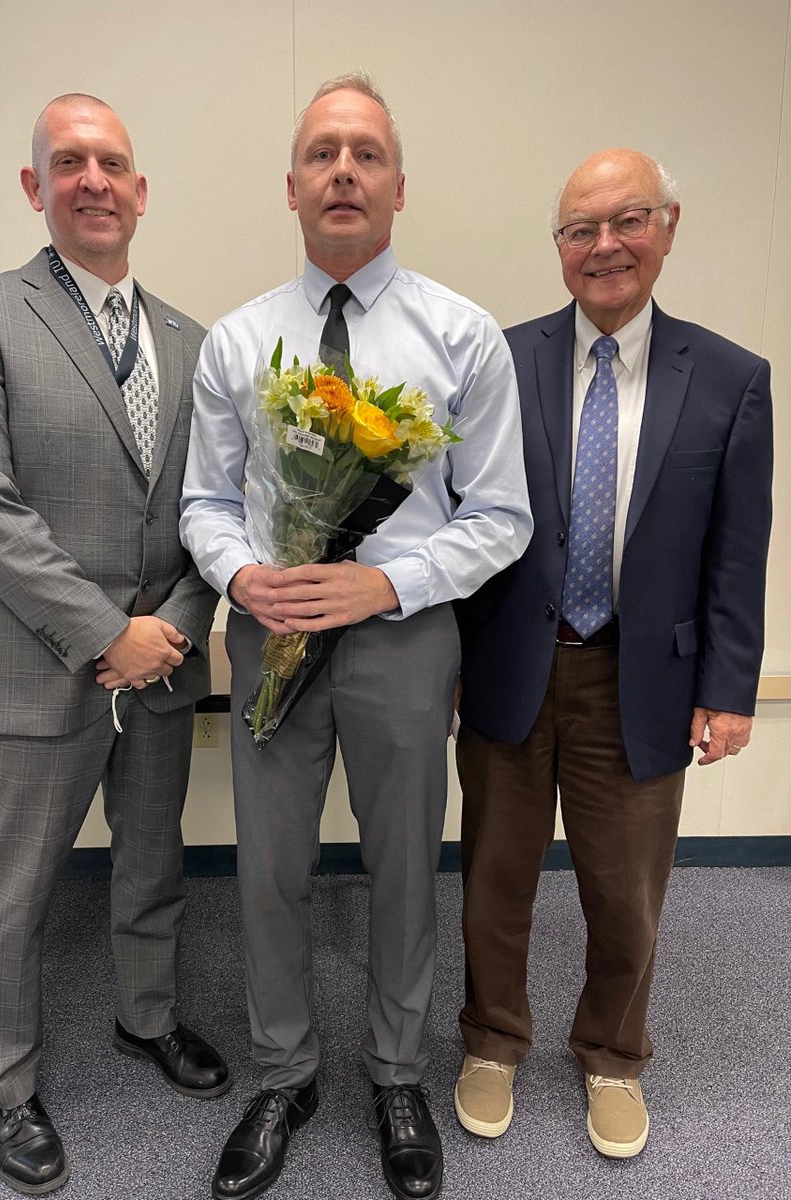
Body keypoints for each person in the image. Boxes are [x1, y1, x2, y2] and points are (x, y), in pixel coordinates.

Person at [180, 72, 531, 1200]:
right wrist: (244, 575)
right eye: (322, 153)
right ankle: (284, 1074)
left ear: (399, 186)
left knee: (402, 866)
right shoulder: (239, 341)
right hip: (272, 633)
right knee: (270, 866)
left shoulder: (462, 335)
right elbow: (205, 502)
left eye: (366, 153)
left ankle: (396, 1073)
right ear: (290, 187)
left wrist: (386, 585)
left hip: (403, 639)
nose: (344, 171)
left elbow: (501, 516)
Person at [0, 94, 229, 1196]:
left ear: (140, 192)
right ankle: (5, 1087)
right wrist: (107, 634)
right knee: (10, 893)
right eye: (68, 162)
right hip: (34, 663)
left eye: (111, 164)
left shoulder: (194, 341)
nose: (92, 180)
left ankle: (145, 1018)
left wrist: (175, 628)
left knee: (152, 863)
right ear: (35, 187)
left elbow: (214, 508)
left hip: (162, 666)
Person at [454, 148, 773, 1159]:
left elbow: (738, 552)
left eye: (627, 220)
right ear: (558, 247)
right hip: (510, 664)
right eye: (580, 229)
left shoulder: (731, 379)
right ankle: (492, 1039)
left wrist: (730, 689)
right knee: (493, 878)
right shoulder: (497, 361)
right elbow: (457, 522)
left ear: (667, 227)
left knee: (626, 891)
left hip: (640, 677)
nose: (605, 246)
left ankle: (613, 1054)